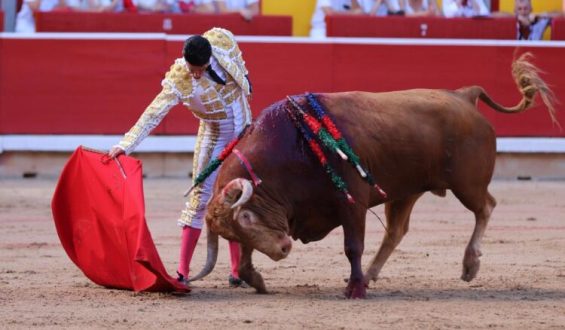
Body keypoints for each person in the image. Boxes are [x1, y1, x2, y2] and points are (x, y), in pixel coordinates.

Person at [108, 27, 253, 288]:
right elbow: (154, 112)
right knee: (199, 201)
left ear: (210, 57)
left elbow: (243, 74)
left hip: (245, 134)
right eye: (192, 68)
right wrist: (125, 145)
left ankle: (237, 271)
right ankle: (182, 271)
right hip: (215, 135)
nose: (196, 73)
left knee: (237, 200)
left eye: (200, 68)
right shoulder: (179, 78)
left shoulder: (223, 41)